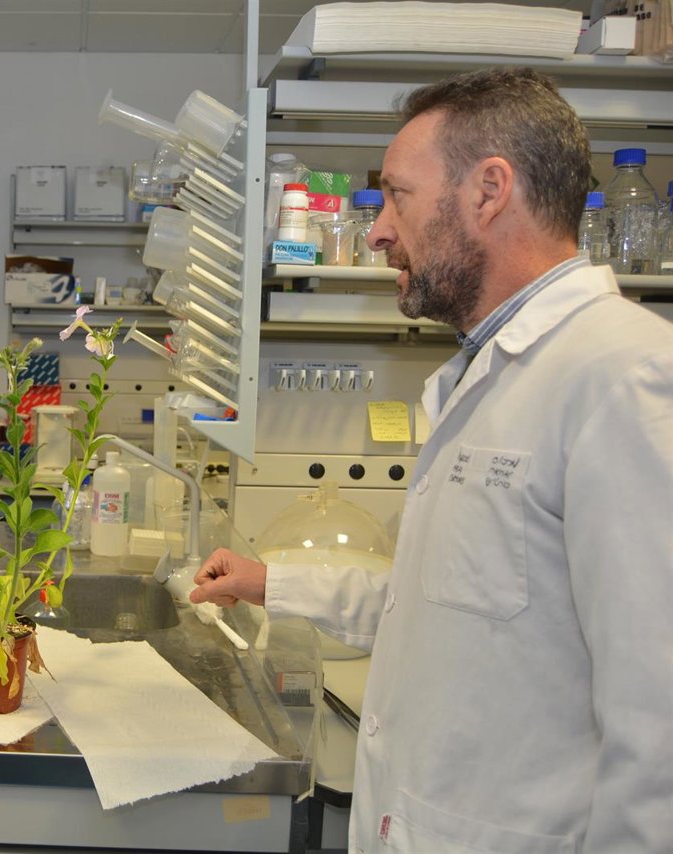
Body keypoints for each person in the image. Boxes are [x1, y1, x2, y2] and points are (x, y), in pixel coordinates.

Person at [191, 68, 673, 851]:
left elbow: (660, 732)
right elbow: (434, 605)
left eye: (398, 197)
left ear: (489, 192)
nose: (378, 231)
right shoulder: (489, 378)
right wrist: (269, 583)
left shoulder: (628, 378)